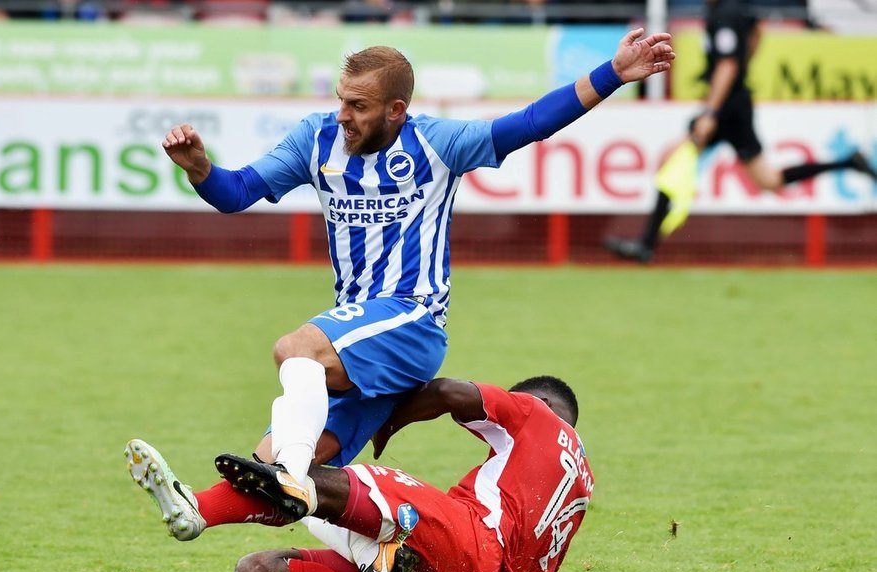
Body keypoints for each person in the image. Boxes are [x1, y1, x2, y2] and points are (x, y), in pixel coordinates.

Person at [157, 32, 668, 527]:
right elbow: (237, 192)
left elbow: (531, 123)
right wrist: (201, 168)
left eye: (358, 105)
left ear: (396, 109)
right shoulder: (317, 140)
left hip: (412, 320)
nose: (343, 116)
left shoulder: (438, 144)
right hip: (354, 337)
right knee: (269, 464)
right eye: (341, 100)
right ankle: (198, 512)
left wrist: (615, 74)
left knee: (294, 351)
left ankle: (288, 476)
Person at [125, 374, 593, 572]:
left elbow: (452, 392)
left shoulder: (537, 412)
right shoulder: (582, 479)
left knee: (346, 479)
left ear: (544, 406)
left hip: (472, 542)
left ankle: (206, 507)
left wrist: (388, 419)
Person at [604, 0, 877, 264]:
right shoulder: (736, 9)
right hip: (735, 105)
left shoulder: (724, 13)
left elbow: (728, 64)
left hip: (725, 109)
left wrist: (711, 112)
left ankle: (645, 245)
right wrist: (743, 67)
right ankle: (848, 162)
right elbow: (756, 32)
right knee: (768, 180)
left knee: (670, 160)